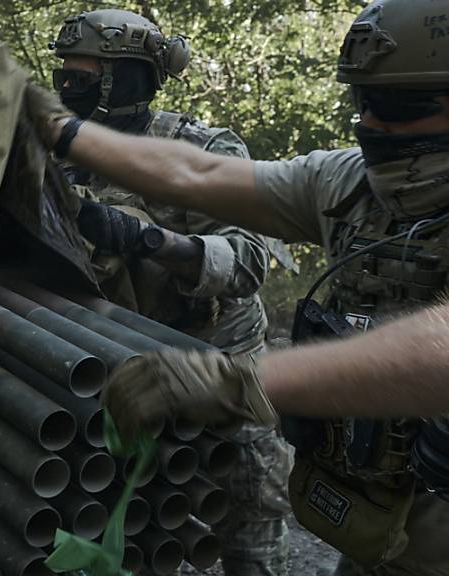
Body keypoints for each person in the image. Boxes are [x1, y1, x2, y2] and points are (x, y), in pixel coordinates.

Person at [25, 0, 449, 573]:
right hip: (387, 512)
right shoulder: (351, 183)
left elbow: (438, 351)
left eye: (398, 107)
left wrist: (233, 380)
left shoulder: (214, 139)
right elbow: (198, 176)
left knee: (249, 543)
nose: (371, 125)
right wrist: (60, 130)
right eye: (362, 102)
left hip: (235, 375)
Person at [50, 10, 290, 576]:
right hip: (120, 379)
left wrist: (149, 239)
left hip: (221, 378)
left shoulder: (200, 151)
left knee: (249, 549)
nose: (65, 91)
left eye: (81, 81)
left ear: (125, 80)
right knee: (119, 544)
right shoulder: (57, 157)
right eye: (62, 78)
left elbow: (250, 261)